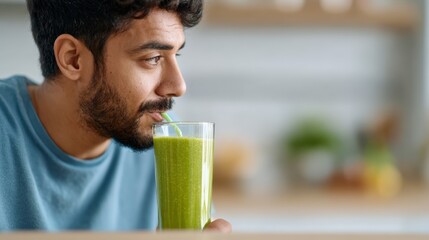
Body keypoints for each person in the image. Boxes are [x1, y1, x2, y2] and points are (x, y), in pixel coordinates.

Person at [0, 0, 231, 232]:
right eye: (152, 58)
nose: (179, 86)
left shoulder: (167, 145)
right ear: (73, 59)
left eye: (175, 55)